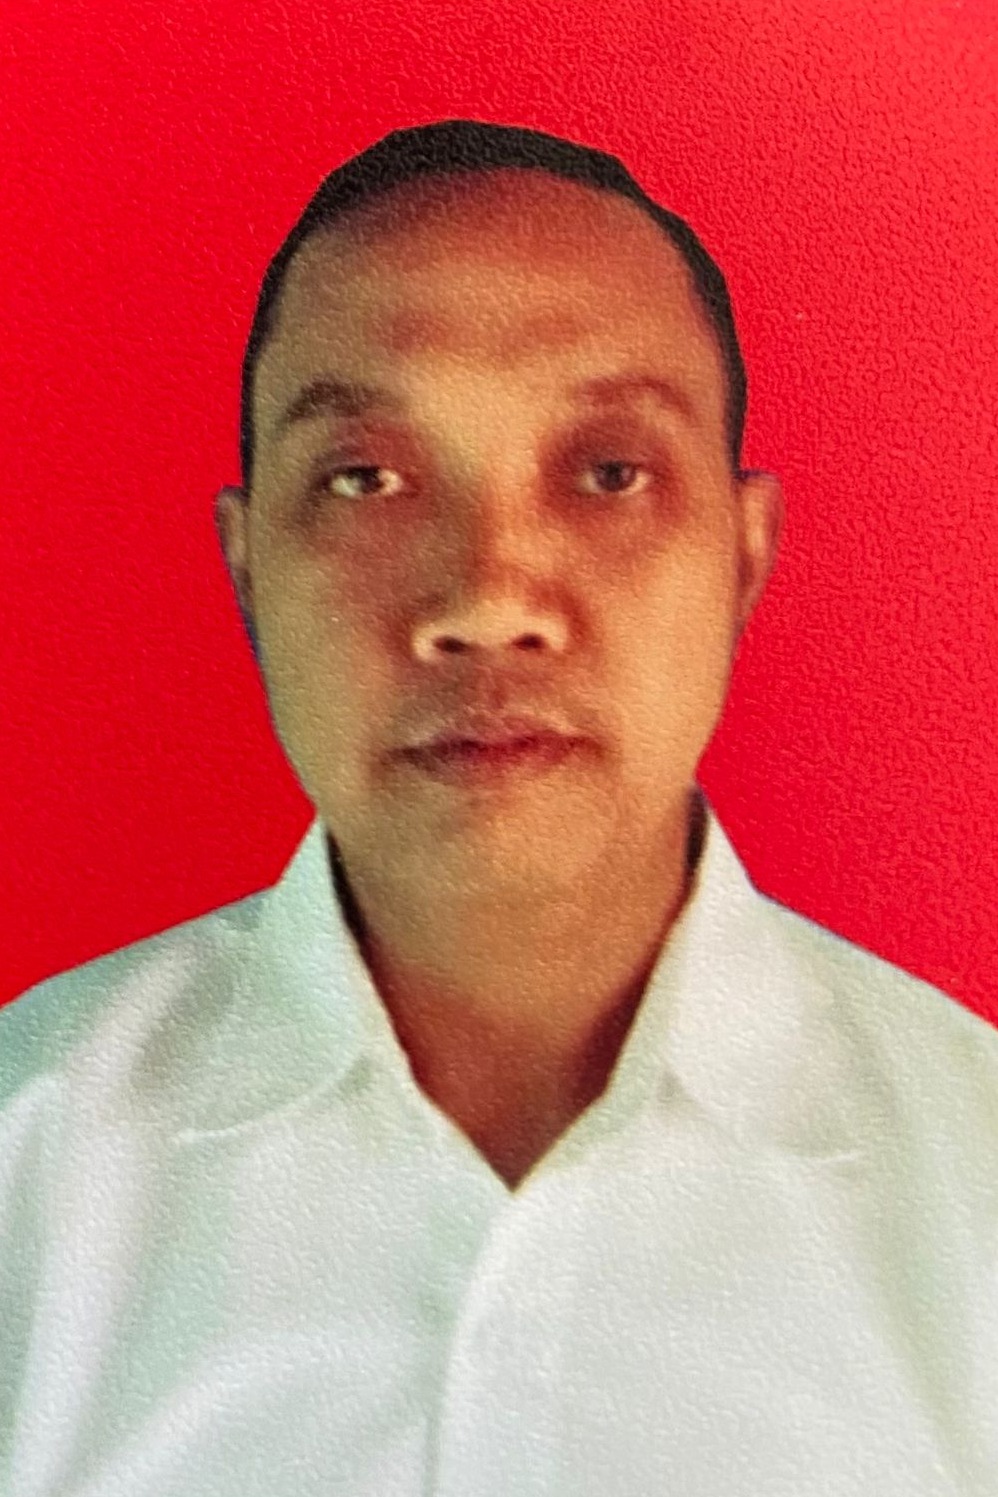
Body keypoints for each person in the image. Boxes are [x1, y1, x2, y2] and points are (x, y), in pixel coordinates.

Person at [2, 120, 996, 1497]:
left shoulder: (972, 1177)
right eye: (364, 478)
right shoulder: (27, 1166)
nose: (485, 599)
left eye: (607, 472)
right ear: (245, 568)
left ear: (745, 553)